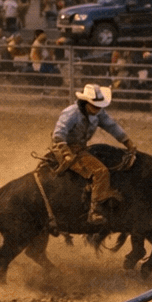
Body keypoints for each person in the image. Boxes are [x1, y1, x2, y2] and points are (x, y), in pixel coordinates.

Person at [51, 83, 137, 227]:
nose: (97, 109)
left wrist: (127, 142)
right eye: (95, 106)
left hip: (80, 149)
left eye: (99, 106)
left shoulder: (98, 113)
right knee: (100, 171)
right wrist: (66, 152)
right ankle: (95, 210)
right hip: (65, 149)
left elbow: (111, 126)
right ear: (86, 102)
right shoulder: (71, 113)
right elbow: (58, 135)